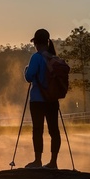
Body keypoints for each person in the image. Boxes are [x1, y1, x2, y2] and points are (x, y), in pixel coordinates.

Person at [24, 29, 61, 169]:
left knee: (38, 130)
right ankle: (53, 162)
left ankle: (37, 161)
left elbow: (29, 77)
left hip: (38, 100)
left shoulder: (36, 57)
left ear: (36, 43)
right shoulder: (54, 57)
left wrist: (26, 69)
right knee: (54, 130)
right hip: (52, 99)